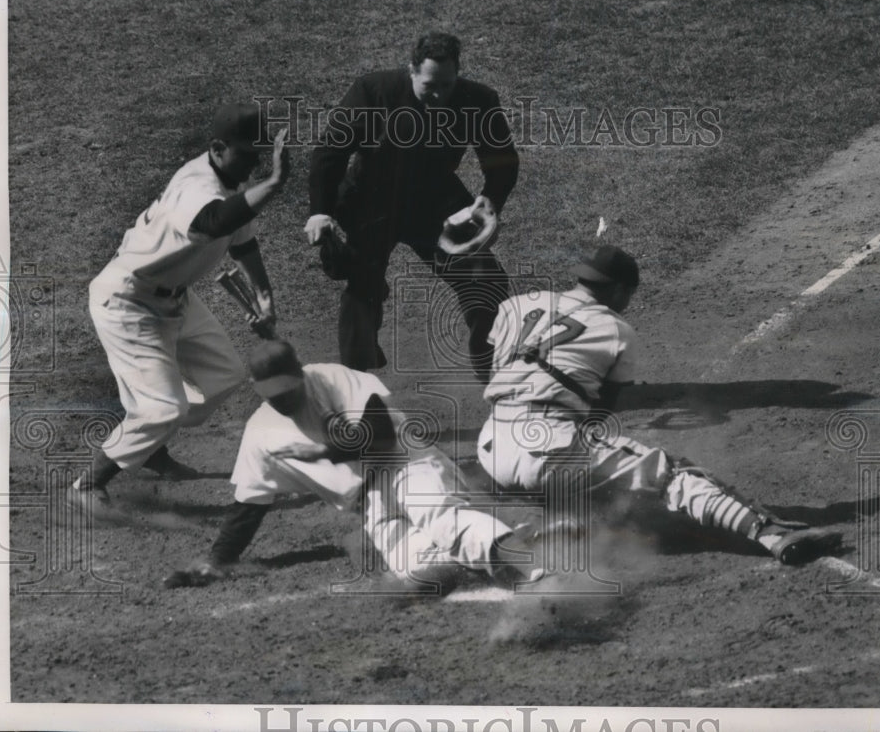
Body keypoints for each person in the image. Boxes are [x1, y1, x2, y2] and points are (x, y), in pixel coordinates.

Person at [476, 245, 843, 566]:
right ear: (621, 290)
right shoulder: (615, 329)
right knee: (671, 472)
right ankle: (771, 533)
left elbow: (490, 364)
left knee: (575, 480)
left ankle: (536, 530)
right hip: (549, 445)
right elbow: (601, 412)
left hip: (490, 445)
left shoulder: (515, 306)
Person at [163, 340, 543, 590]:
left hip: (404, 463)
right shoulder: (259, 432)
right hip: (370, 504)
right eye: (273, 395)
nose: (283, 400)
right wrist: (217, 561)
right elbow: (248, 507)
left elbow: (380, 436)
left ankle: (538, 574)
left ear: (301, 374)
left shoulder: (333, 378)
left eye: (289, 390)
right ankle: (511, 541)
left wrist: (326, 452)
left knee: (443, 520)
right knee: (420, 573)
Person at [69, 104, 290, 509]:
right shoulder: (196, 185)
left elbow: (242, 241)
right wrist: (274, 184)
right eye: (247, 154)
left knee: (224, 376)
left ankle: (148, 439)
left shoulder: (230, 183)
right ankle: (89, 484)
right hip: (128, 301)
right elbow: (213, 223)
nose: (254, 162)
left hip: (176, 297)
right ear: (217, 148)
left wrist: (264, 293)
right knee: (164, 407)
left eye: (259, 155)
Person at [304, 31, 518, 382]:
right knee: (362, 291)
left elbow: (503, 162)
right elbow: (330, 151)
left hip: (435, 201)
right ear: (411, 71)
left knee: (486, 281)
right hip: (371, 201)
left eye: (447, 85)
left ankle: (492, 371)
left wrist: (490, 200)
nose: (438, 95)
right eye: (430, 85)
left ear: (458, 75)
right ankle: (357, 389)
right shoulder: (374, 92)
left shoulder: (477, 100)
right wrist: (320, 210)